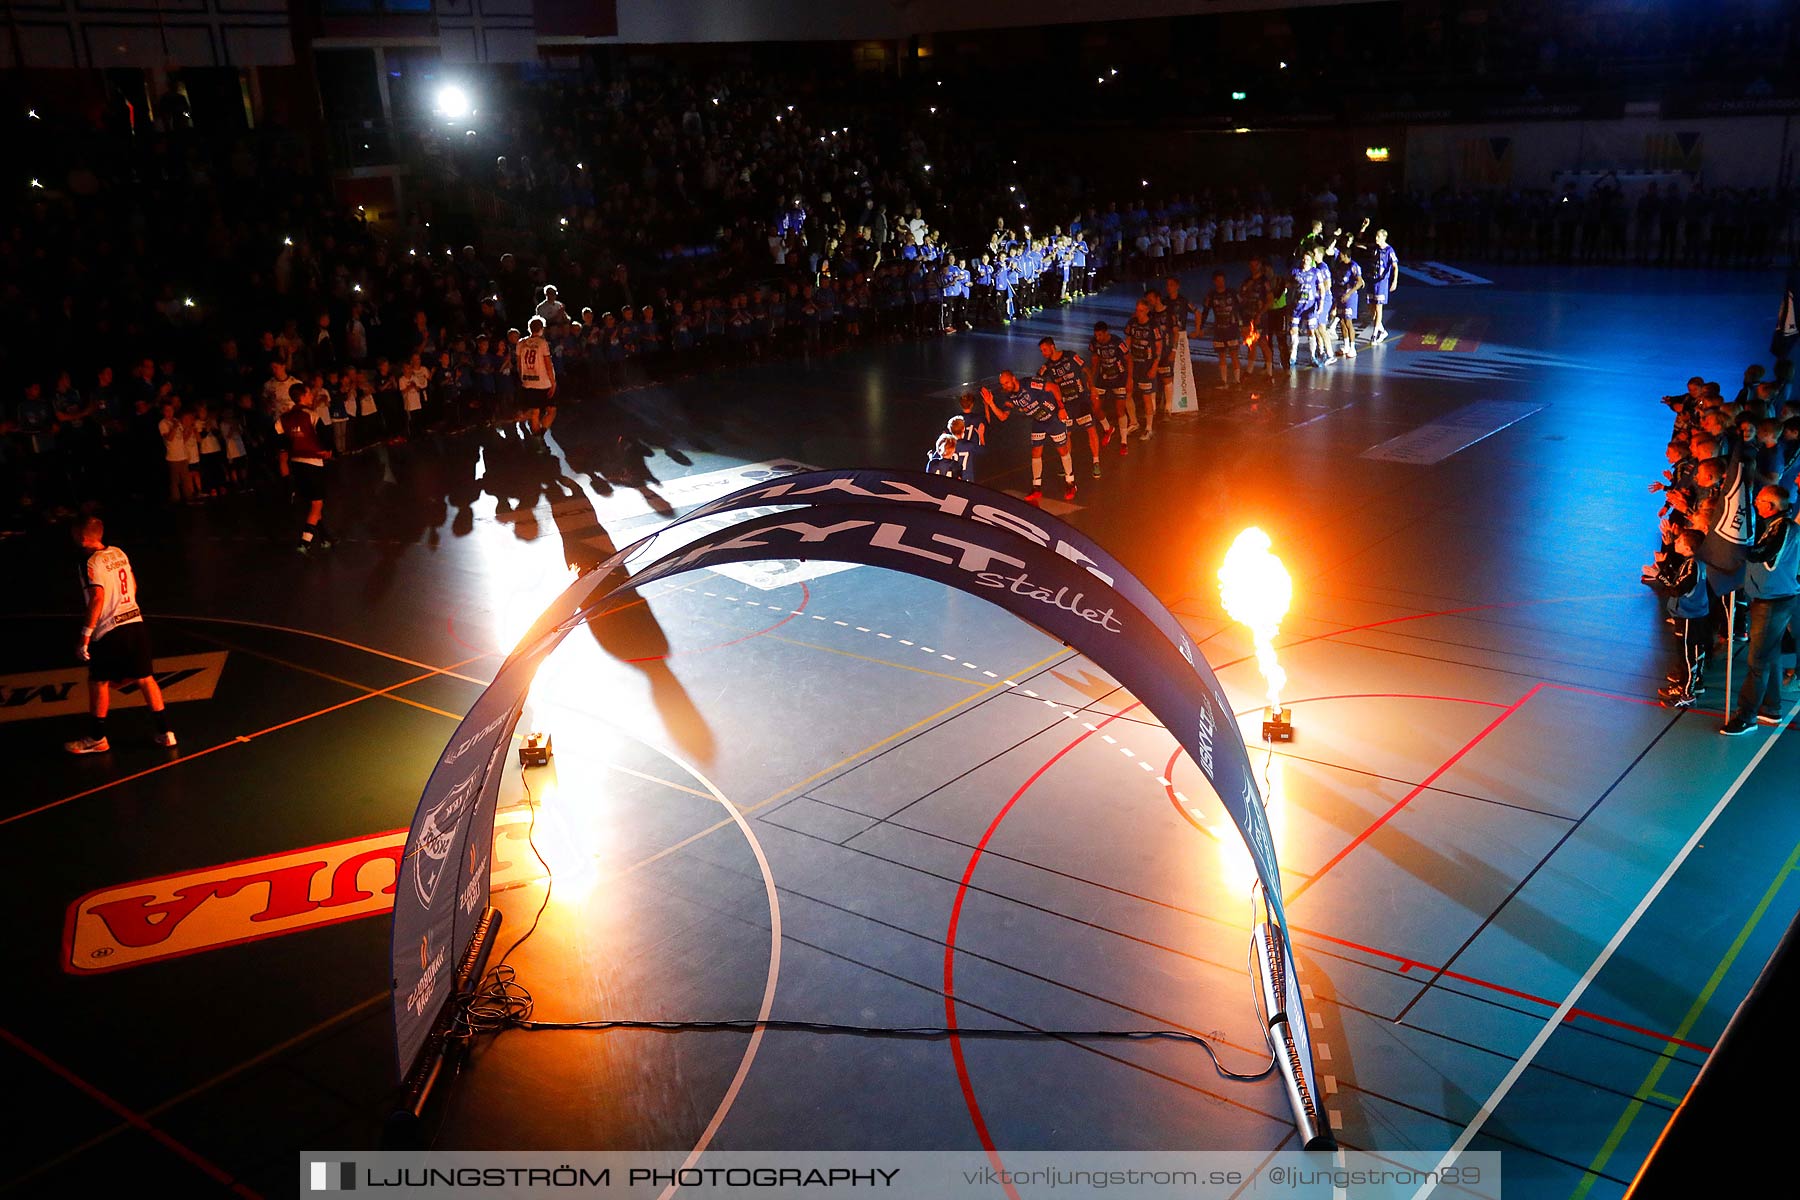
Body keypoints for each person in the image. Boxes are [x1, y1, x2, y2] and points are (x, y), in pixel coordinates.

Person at [65, 516, 177, 753]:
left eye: (74, 534)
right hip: (135, 622)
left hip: (109, 630)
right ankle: (165, 732)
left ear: (83, 537)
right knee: (146, 678)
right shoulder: (119, 553)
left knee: (98, 681)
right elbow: (133, 585)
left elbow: (97, 598)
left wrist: (85, 636)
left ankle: (97, 738)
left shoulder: (89, 563)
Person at [1721, 487, 1799, 734]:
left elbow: (1765, 553)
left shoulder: (1782, 528)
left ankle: (1746, 716)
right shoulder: (1776, 525)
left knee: (1758, 661)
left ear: (1771, 506)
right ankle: (1771, 709)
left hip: (1772, 601)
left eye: (1760, 500)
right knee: (1770, 655)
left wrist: (1735, 550)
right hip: (1772, 597)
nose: (1755, 502)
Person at [980, 369, 1077, 504]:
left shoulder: (1030, 383)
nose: (1005, 386)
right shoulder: (1011, 397)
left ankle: (1071, 483)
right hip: (1039, 421)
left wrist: (1061, 408)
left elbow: (1053, 387)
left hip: (1054, 418)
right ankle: (1036, 487)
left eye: (1006, 383)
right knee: (1036, 452)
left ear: (1014, 379)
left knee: (1062, 450)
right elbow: (1002, 417)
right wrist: (991, 403)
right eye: (1002, 384)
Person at [1037, 336, 1108, 479]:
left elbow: (1086, 370)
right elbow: (1038, 381)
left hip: (1081, 400)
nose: (1043, 353)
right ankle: (1067, 464)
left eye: (1045, 349)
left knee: (1091, 429)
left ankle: (1096, 462)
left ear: (1052, 346)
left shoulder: (1070, 356)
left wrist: (1092, 387)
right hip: (1065, 404)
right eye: (1041, 351)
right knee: (1066, 434)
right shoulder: (1048, 367)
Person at [276, 385, 334, 554]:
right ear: (303, 396)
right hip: (313, 462)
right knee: (317, 504)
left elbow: (280, 441)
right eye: (309, 393)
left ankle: (324, 537)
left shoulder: (283, 419)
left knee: (312, 501)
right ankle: (305, 540)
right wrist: (327, 450)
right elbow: (325, 436)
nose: (311, 396)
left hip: (296, 463)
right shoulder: (312, 415)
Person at [1087, 321, 1133, 456]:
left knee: (1120, 410)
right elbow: (1095, 360)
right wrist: (1091, 380)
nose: (1098, 338)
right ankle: (1108, 428)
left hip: (1119, 378)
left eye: (1100, 335)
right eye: (1096, 335)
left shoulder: (1117, 342)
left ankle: (1124, 442)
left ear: (1106, 333)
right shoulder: (1094, 344)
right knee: (1095, 407)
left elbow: (1129, 359)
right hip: (1103, 378)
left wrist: (1130, 379)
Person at [1123, 298, 1163, 440]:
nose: (1137, 313)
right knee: (1127, 393)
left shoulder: (1153, 325)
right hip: (1134, 364)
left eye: (1140, 310)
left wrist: (1155, 366)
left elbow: (1159, 346)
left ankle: (1149, 428)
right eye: (1136, 309)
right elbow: (1127, 339)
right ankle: (1133, 422)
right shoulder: (1132, 323)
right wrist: (1126, 356)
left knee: (1147, 397)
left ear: (1147, 310)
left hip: (1147, 365)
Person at [517, 315, 557, 443]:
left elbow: (518, 364)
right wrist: (553, 382)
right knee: (551, 410)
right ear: (541, 328)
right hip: (543, 382)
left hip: (528, 380)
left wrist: (522, 378)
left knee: (535, 411)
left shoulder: (521, 343)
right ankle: (540, 434)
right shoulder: (542, 343)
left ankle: (537, 438)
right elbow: (548, 365)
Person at [1200, 271, 1243, 387]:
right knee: (1221, 355)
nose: (1220, 283)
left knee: (1234, 354)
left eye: (1222, 280)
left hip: (1232, 328)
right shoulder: (1211, 295)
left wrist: (1244, 324)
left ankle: (1237, 381)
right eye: (1218, 280)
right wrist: (1200, 327)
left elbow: (1241, 308)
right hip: (1219, 328)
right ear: (1214, 282)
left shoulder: (1232, 293)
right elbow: (1205, 311)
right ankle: (1224, 380)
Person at [1369, 228, 1399, 342]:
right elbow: (1358, 243)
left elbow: (1395, 267)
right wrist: (1364, 228)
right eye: (1376, 236)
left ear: (1384, 238)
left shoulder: (1389, 250)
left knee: (1378, 307)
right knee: (1370, 308)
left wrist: (1394, 281)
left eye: (1378, 237)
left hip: (1381, 282)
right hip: (1372, 279)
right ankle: (1382, 330)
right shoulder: (1374, 248)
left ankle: (1375, 333)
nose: (1376, 238)